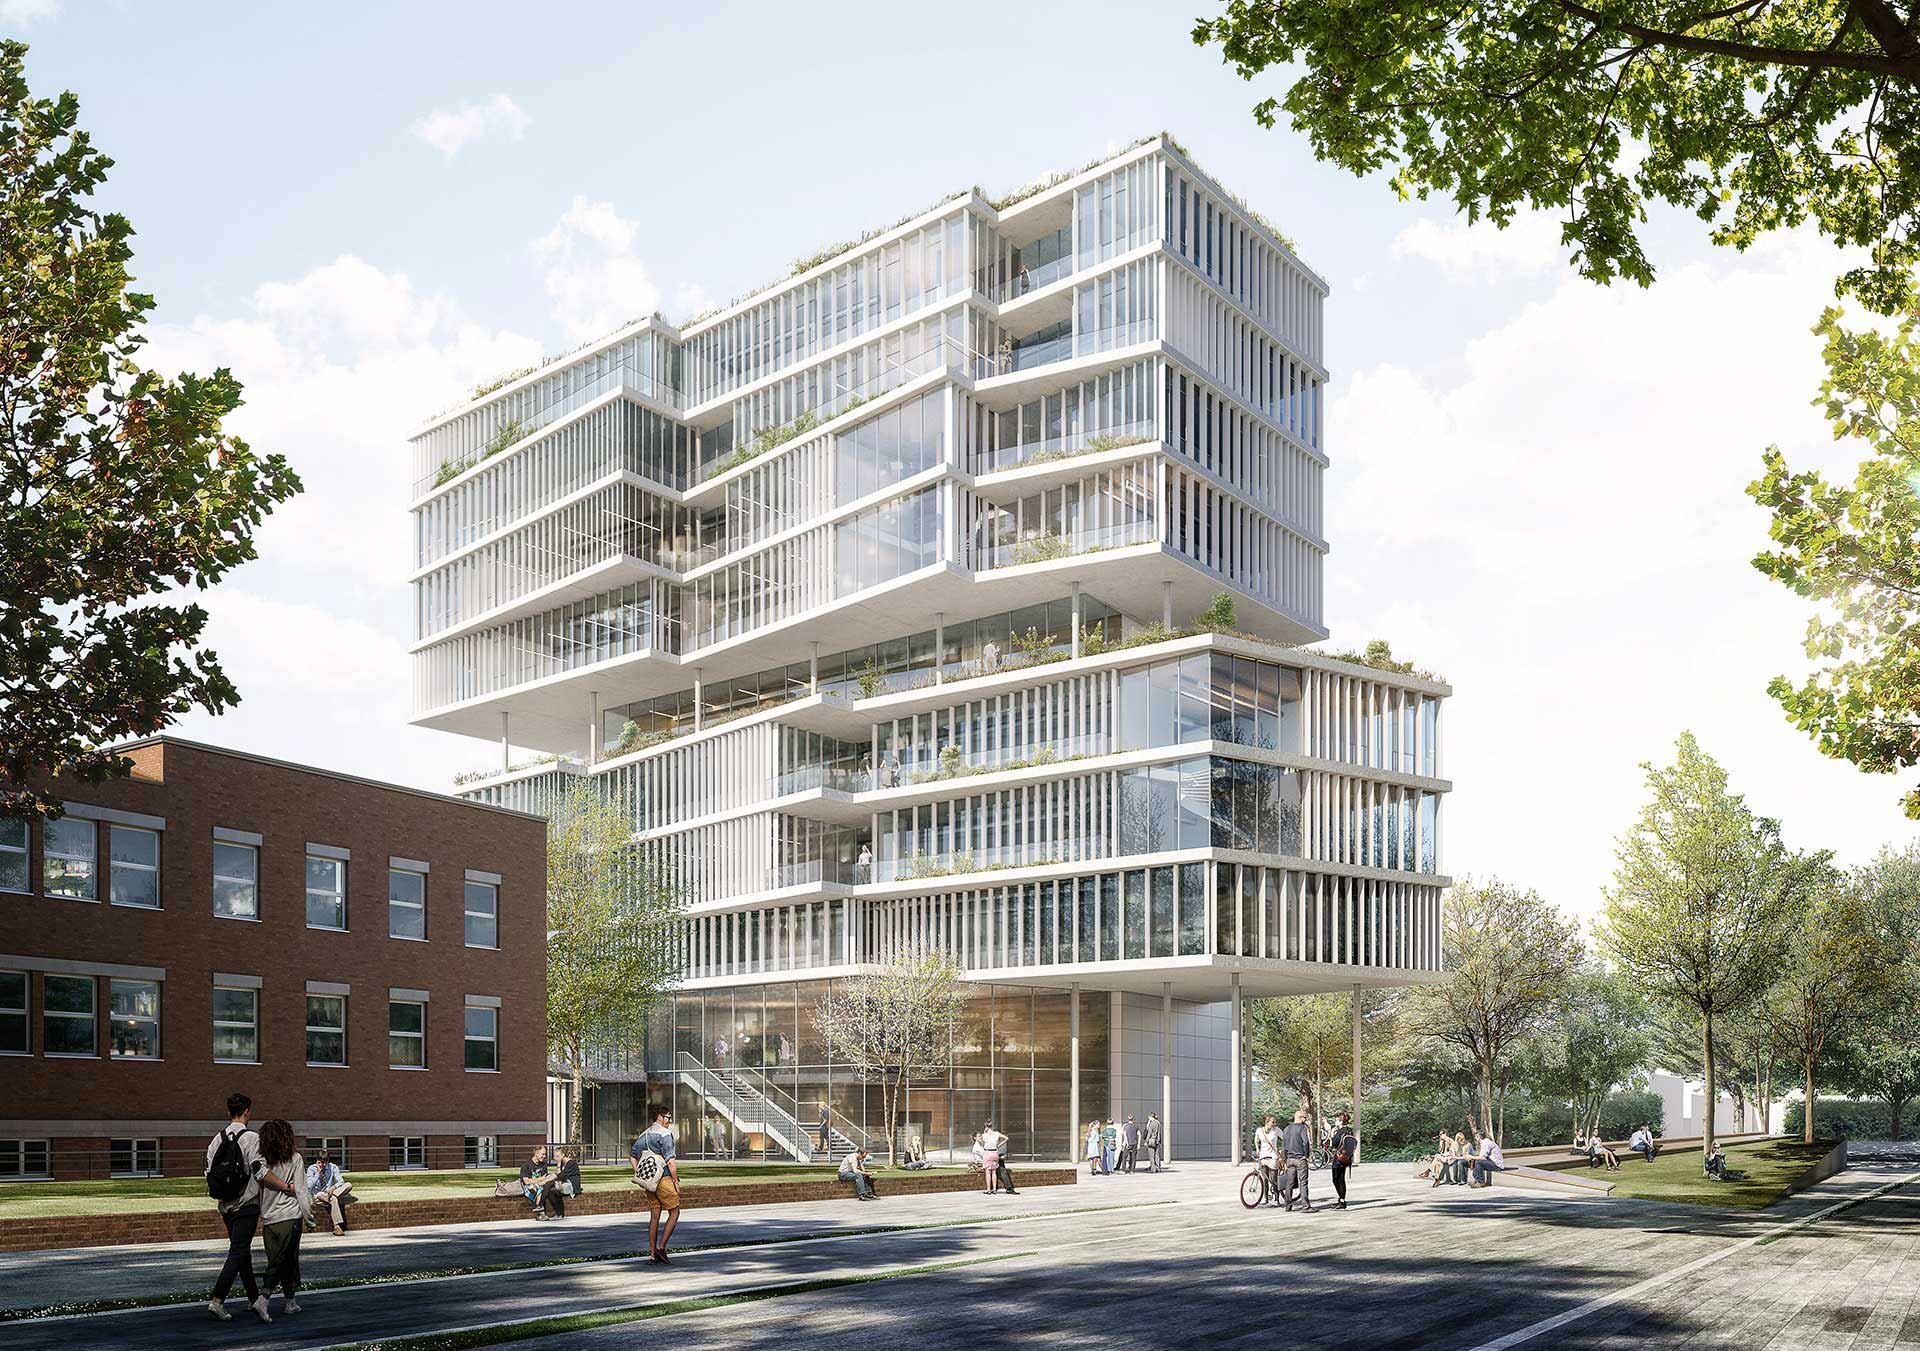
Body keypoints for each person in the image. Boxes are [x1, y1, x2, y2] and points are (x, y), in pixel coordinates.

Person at [204, 1092, 298, 1323]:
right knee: (237, 1252)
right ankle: (217, 1300)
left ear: (229, 1112)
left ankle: (253, 1298)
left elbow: (208, 1173)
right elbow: (261, 1172)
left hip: (225, 1206)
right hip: (246, 1205)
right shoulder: (252, 1139)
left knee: (242, 1252)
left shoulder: (216, 1140)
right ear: (247, 1112)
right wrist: (287, 1186)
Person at [256, 1119, 311, 1314]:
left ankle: (290, 1301)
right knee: (284, 1260)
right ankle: (263, 1298)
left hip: (269, 1217)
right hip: (290, 1216)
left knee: (281, 1259)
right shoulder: (295, 1158)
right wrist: (309, 1217)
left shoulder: (261, 1160)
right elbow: (302, 1191)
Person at [633, 1104, 682, 1262]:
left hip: (649, 1182)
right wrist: (675, 1181)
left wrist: (640, 1173)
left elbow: (633, 1157)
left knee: (655, 1216)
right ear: (659, 1118)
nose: (669, 1121)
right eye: (668, 1117)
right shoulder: (665, 1133)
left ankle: (652, 1253)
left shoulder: (643, 1135)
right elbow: (670, 1161)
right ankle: (661, 1248)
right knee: (674, 1212)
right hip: (664, 1178)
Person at [305, 1148, 352, 1235]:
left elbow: (341, 1181)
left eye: (324, 1162)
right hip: (318, 1194)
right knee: (330, 1198)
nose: (322, 1165)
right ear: (317, 1160)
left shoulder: (333, 1167)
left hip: (330, 1193)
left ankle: (334, 1195)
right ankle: (337, 1226)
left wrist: (334, 1187)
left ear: (328, 1161)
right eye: (320, 1162)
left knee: (348, 1185)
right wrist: (318, 1174)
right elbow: (308, 1186)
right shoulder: (311, 1169)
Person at [1279, 1109, 1314, 1212]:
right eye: (1304, 1118)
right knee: (1303, 1182)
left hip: (1290, 1159)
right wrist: (1306, 1156)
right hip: (1300, 1159)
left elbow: (1284, 1146)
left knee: (1289, 1183)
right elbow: (1306, 1142)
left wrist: (1284, 1159)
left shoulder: (1286, 1129)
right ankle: (1306, 1206)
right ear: (1300, 1117)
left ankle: (1288, 1206)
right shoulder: (1302, 1128)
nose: (1305, 1120)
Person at [543, 1144, 583, 1219]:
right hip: (564, 1183)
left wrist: (558, 1165)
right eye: (554, 1156)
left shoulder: (571, 1163)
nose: (556, 1158)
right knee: (551, 1191)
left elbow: (561, 1176)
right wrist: (559, 1182)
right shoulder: (562, 1163)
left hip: (571, 1185)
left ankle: (541, 1205)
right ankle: (559, 1214)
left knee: (550, 1185)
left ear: (563, 1155)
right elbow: (560, 1177)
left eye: (558, 1156)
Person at [1327, 1111, 1357, 1210]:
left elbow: (1334, 1143)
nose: (1335, 1121)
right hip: (1346, 1158)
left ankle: (1341, 1201)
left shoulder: (1340, 1131)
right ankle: (1342, 1200)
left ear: (1340, 1121)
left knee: (1336, 1179)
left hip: (1338, 1158)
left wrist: (1332, 1133)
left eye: (1336, 1120)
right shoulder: (1349, 1130)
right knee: (1342, 1179)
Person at [981, 1120, 1018, 1195]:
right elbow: (1006, 1138)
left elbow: (981, 1142)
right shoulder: (997, 1133)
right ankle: (994, 1189)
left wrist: (985, 1133)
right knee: (994, 1172)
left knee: (988, 1172)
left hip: (987, 1153)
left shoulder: (984, 1135)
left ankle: (988, 1190)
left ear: (986, 1127)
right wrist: (998, 1145)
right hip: (995, 1153)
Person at [1254, 1114, 1283, 1206]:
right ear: (1267, 1122)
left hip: (1273, 1157)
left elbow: (1284, 1138)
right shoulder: (1259, 1130)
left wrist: (1282, 1149)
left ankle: (1276, 1199)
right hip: (1263, 1157)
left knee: (1274, 1179)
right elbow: (1256, 1139)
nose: (1274, 1124)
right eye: (1272, 1122)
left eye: (1275, 1122)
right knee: (1265, 1179)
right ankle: (1265, 1199)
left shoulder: (1276, 1130)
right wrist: (1257, 1149)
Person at [520, 1144, 555, 1217]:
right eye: (542, 1154)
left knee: (543, 1187)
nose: (544, 1156)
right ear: (536, 1153)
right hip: (529, 1187)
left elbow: (545, 1178)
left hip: (540, 1185)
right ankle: (541, 1212)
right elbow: (526, 1181)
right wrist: (540, 1179)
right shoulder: (526, 1165)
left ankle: (540, 1210)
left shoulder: (543, 1165)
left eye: (545, 1154)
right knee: (539, 1189)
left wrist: (540, 1181)